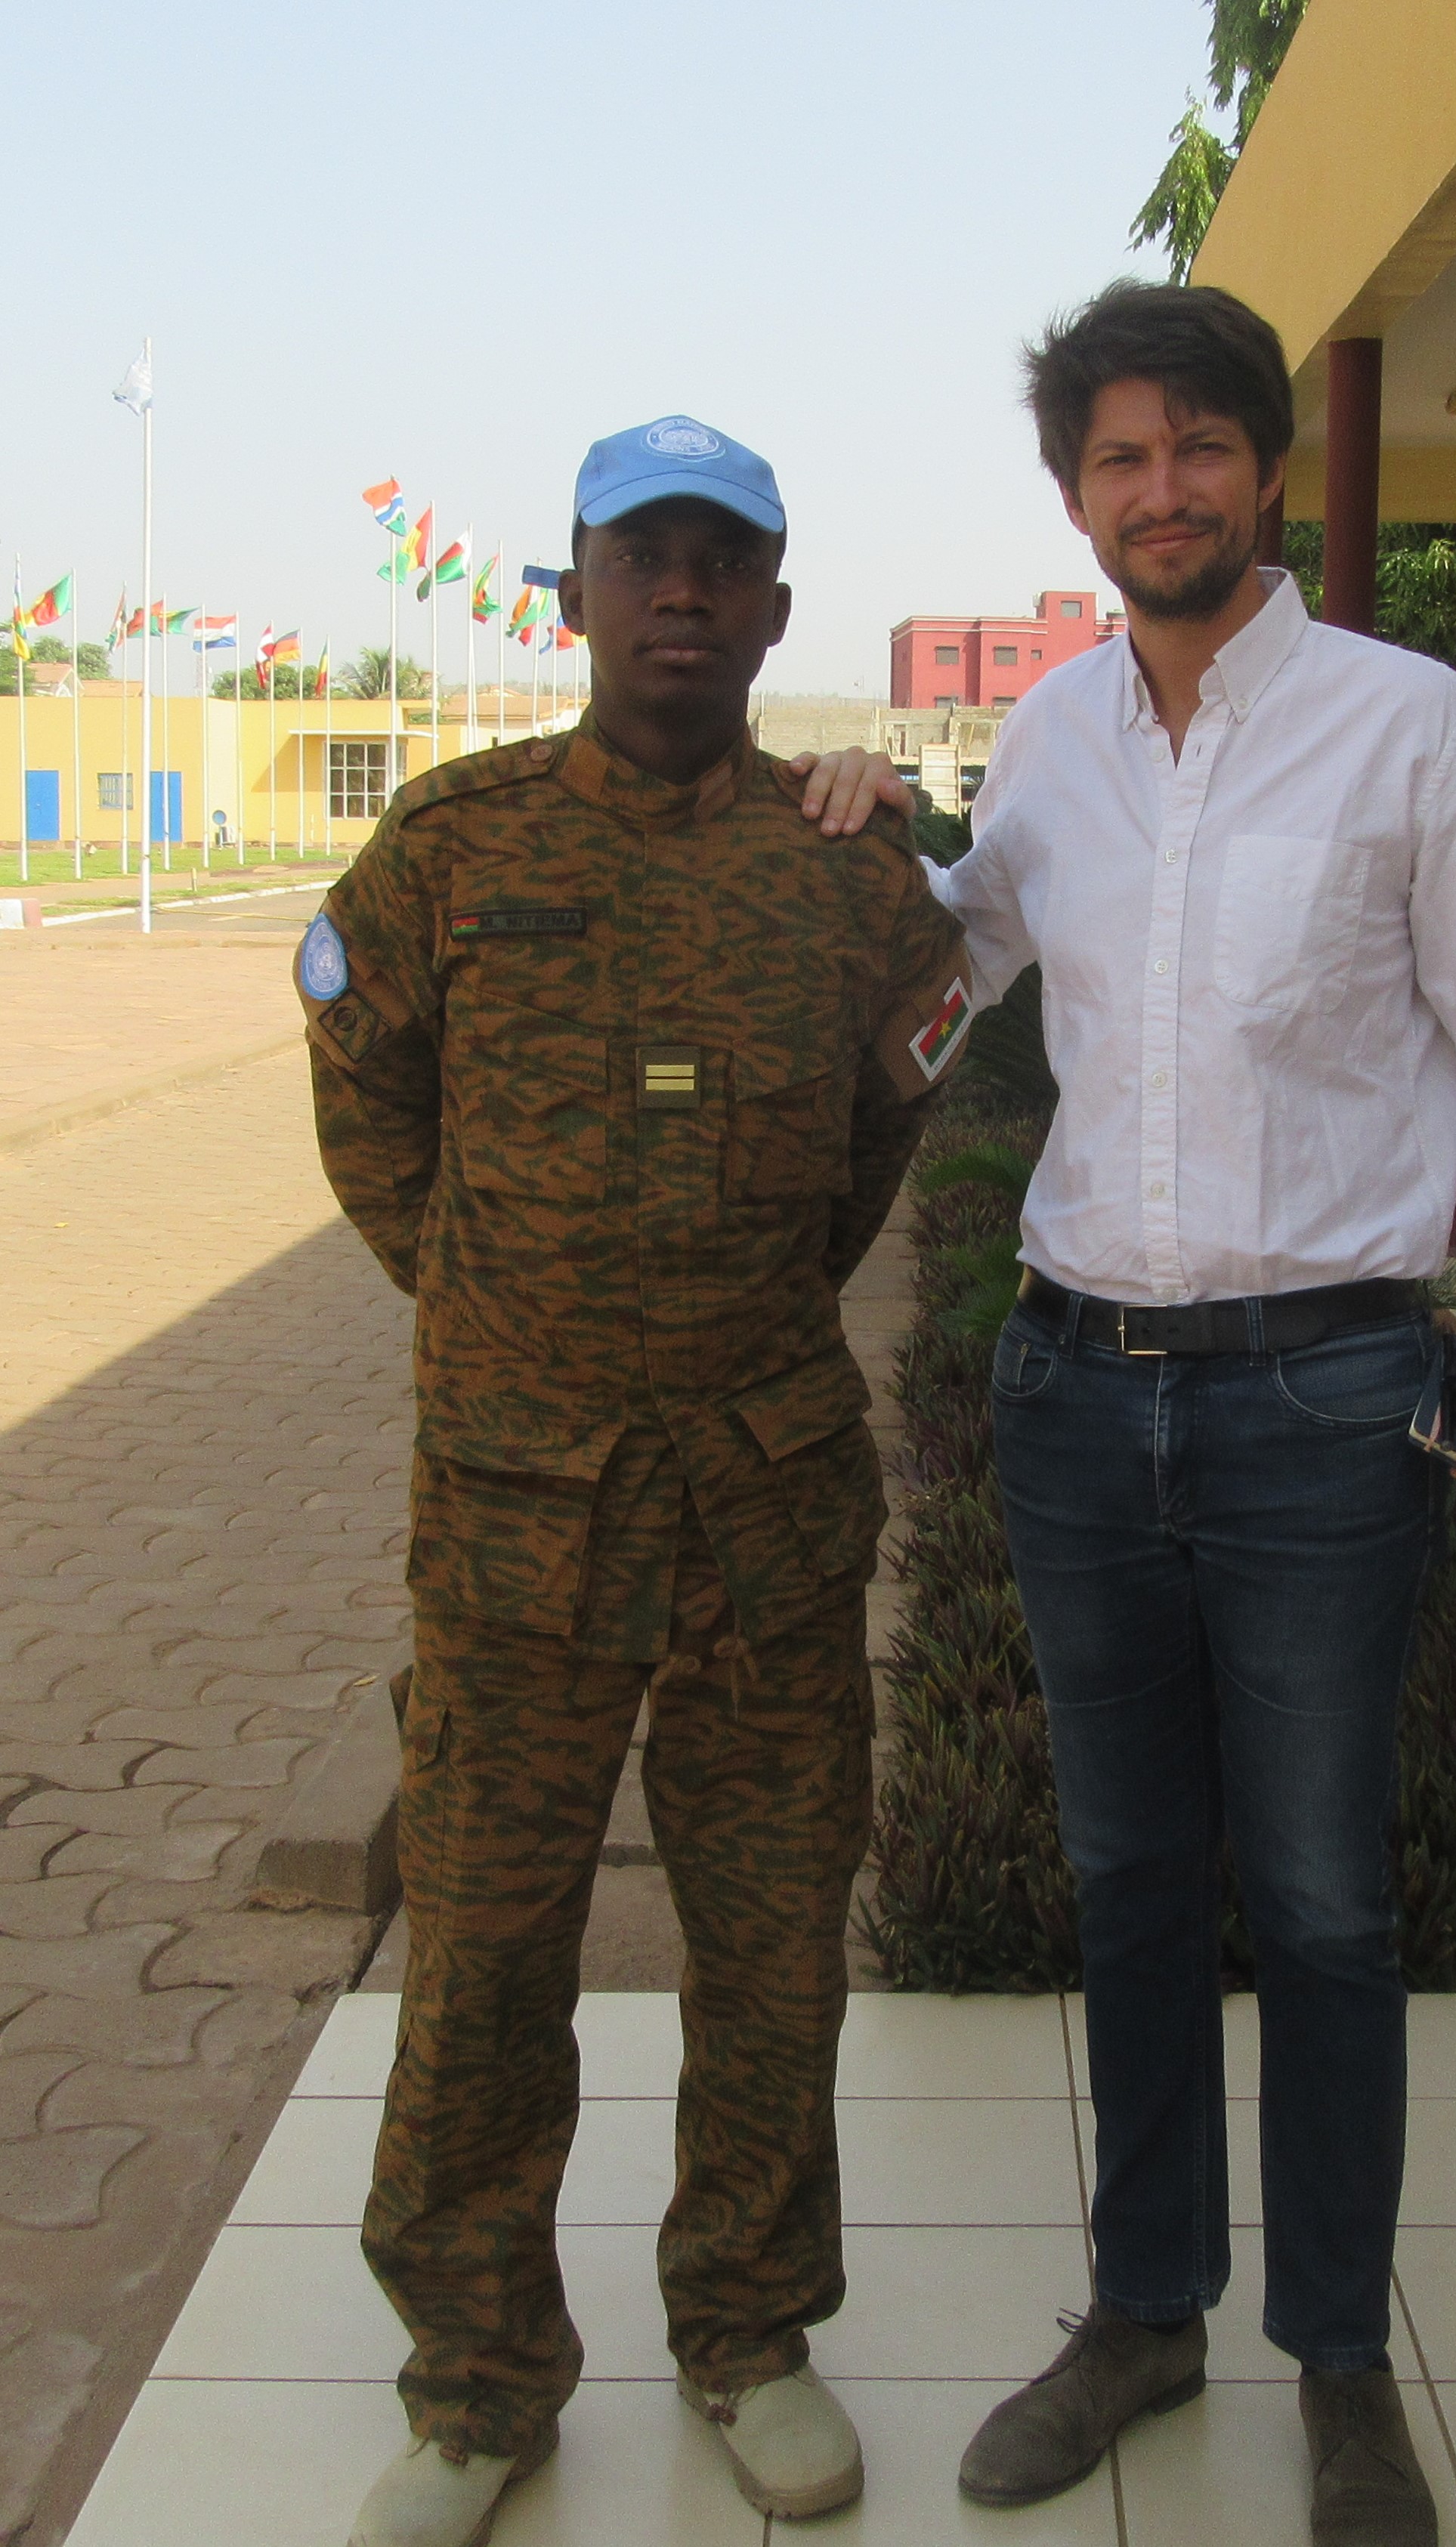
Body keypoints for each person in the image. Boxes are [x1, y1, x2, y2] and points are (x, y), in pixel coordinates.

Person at [920, 281, 1456, 2547]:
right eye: (1119, 458)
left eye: (1198, 446)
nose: (1162, 490)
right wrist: (841, 855)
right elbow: (951, 970)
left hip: (1324, 1397)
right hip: (1072, 1388)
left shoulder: (1410, 727)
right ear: (1076, 499)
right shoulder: (1048, 739)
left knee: (1322, 1901)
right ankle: (1145, 2310)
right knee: (1126, 1877)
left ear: (1264, 469)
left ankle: (1338, 2360)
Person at [300, 413, 972, 2547]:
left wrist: (710, 1311)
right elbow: (367, 1106)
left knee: (771, 1950)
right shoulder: (448, 848)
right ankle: (478, 2382)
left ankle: (750, 2333)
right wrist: (498, 1309)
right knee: (483, 1957)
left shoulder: (852, 873)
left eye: (721, 562)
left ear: (772, 608)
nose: (680, 594)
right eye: (641, 557)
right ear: (575, 593)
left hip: (765, 1508)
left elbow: (875, 1148)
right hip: (517, 1515)